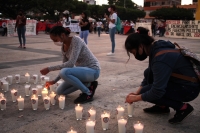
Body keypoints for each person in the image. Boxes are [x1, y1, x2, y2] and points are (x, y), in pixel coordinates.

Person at [124, 27, 200, 124]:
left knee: (147, 91)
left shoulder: (160, 58)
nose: (135, 56)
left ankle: (183, 108)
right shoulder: (156, 47)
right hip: (183, 82)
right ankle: (162, 106)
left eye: (133, 52)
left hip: (189, 89)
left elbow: (157, 91)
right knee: (148, 73)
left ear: (140, 46)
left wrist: (136, 98)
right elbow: (150, 73)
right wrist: (137, 92)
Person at [40, 26, 100, 104]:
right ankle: (88, 84)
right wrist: (54, 81)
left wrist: (49, 68)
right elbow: (65, 66)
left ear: (62, 35)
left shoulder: (76, 40)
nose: (55, 42)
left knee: (64, 72)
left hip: (93, 71)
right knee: (60, 91)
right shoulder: (63, 47)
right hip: (82, 73)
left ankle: (87, 93)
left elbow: (70, 63)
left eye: (55, 39)